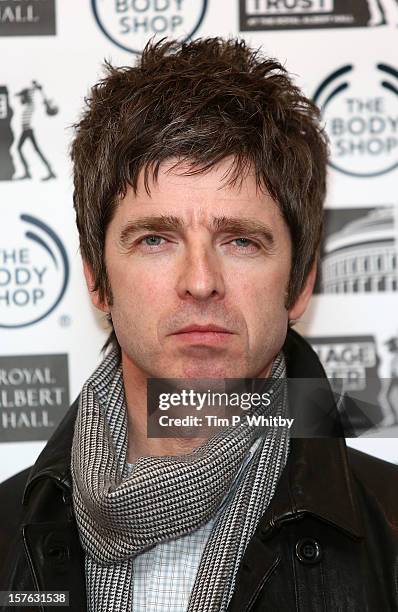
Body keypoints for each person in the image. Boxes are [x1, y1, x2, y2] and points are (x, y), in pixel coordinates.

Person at [0, 37, 397, 612]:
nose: (201, 280)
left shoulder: (390, 531)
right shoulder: (8, 531)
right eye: (156, 239)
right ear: (96, 280)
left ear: (300, 283)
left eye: (241, 240)